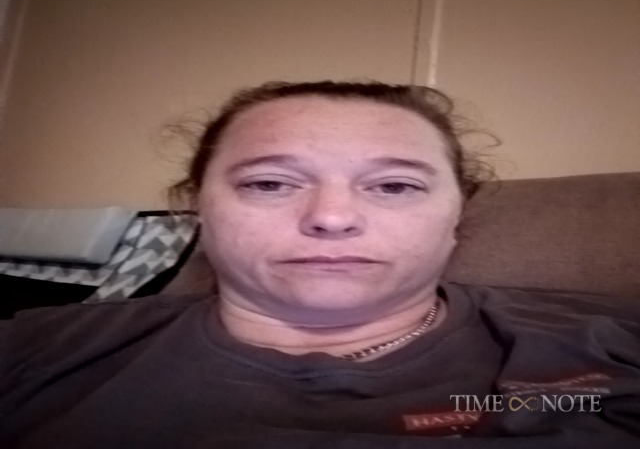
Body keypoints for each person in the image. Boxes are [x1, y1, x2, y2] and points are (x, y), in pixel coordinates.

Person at [1, 81, 639, 448]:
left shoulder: (615, 342)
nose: (332, 218)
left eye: (394, 186)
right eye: (269, 183)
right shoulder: (30, 349)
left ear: (456, 214)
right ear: (199, 207)